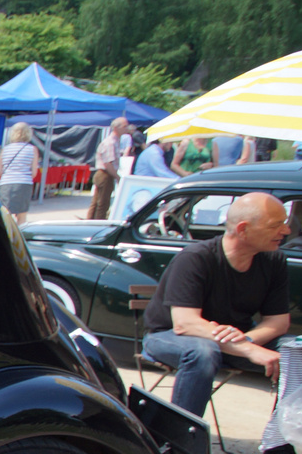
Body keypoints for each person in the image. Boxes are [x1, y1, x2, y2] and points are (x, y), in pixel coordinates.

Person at [141, 192, 290, 417]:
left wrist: (247, 340)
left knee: (300, 352)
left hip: (232, 340)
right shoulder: (196, 257)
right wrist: (247, 349)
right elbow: (185, 324)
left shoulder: (274, 260)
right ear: (243, 229)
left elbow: (278, 322)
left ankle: (284, 442)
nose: (285, 231)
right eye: (276, 225)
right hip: (170, 337)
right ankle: (180, 440)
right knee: (203, 351)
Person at [0, 123, 41, 224]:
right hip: (23, 183)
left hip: (5, 183)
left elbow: (0, 172)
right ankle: (20, 237)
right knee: (22, 215)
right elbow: (34, 173)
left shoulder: (5, 149)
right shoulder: (32, 149)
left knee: (6, 215)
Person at [88, 119, 129, 219]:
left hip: (105, 174)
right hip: (105, 174)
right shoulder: (110, 142)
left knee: (98, 202)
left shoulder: (114, 141)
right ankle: (98, 223)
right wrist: (117, 177)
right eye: (124, 126)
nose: (127, 129)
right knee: (103, 203)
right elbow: (108, 163)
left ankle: (90, 221)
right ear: (116, 128)